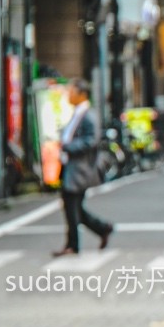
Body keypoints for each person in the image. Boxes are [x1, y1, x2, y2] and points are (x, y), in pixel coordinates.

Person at [52, 78, 113, 257]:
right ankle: (102, 229)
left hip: (80, 168)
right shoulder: (79, 113)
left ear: (82, 94)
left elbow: (91, 140)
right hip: (73, 167)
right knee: (73, 207)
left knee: (72, 206)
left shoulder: (87, 115)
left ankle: (74, 243)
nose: (69, 95)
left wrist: (68, 147)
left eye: (72, 92)